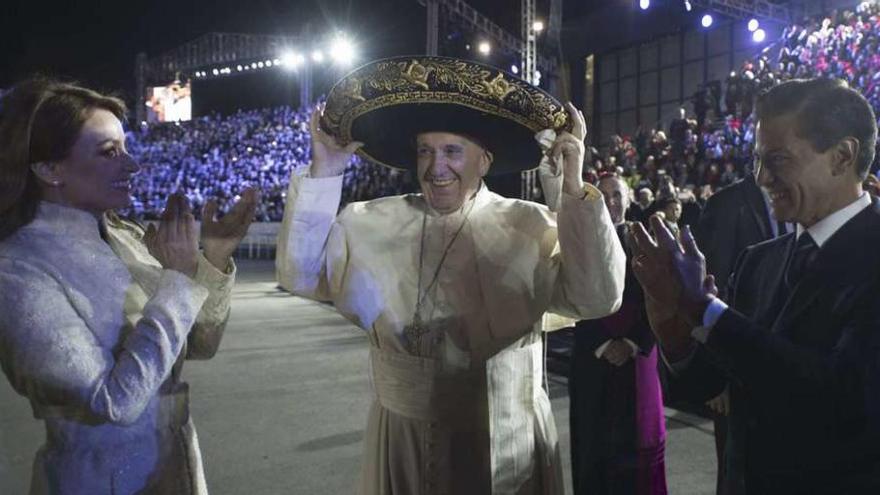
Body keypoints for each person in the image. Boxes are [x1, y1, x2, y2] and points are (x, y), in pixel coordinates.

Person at [276, 56, 626, 494]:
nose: (435, 167)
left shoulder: (531, 225)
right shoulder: (369, 222)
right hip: (402, 438)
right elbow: (300, 275)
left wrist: (572, 189)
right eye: (425, 150)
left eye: (451, 151)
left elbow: (598, 298)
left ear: (484, 161)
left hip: (507, 435)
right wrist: (326, 170)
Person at [0, 79, 258, 494]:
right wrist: (175, 279)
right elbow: (114, 402)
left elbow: (200, 345)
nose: (132, 165)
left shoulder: (126, 237)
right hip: (99, 480)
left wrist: (212, 258)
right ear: (49, 169)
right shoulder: (17, 268)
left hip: (179, 467)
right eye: (109, 153)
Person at [631, 78, 880, 494]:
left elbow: (840, 403)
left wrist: (704, 310)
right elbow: (711, 386)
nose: (762, 178)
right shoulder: (758, 261)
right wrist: (672, 329)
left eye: (778, 160)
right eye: (757, 160)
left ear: (842, 157)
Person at [568, 172, 667, 495]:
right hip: (592, 362)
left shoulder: (649, 244)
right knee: (594, 453)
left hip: (637, 362)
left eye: (617, 195)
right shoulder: (577, 244)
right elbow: (572, 297)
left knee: (639, 454)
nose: (611, 201)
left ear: (629, 199)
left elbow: (662, 299)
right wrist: (603, 342)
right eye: (604, 195)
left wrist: (631, 343)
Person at [692, 172, 789, 495]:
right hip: (737, 369)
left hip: (782, 366)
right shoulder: (727, 203)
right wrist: (719, 375)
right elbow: (709, 291)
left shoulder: (800, 199)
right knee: (737, 475)